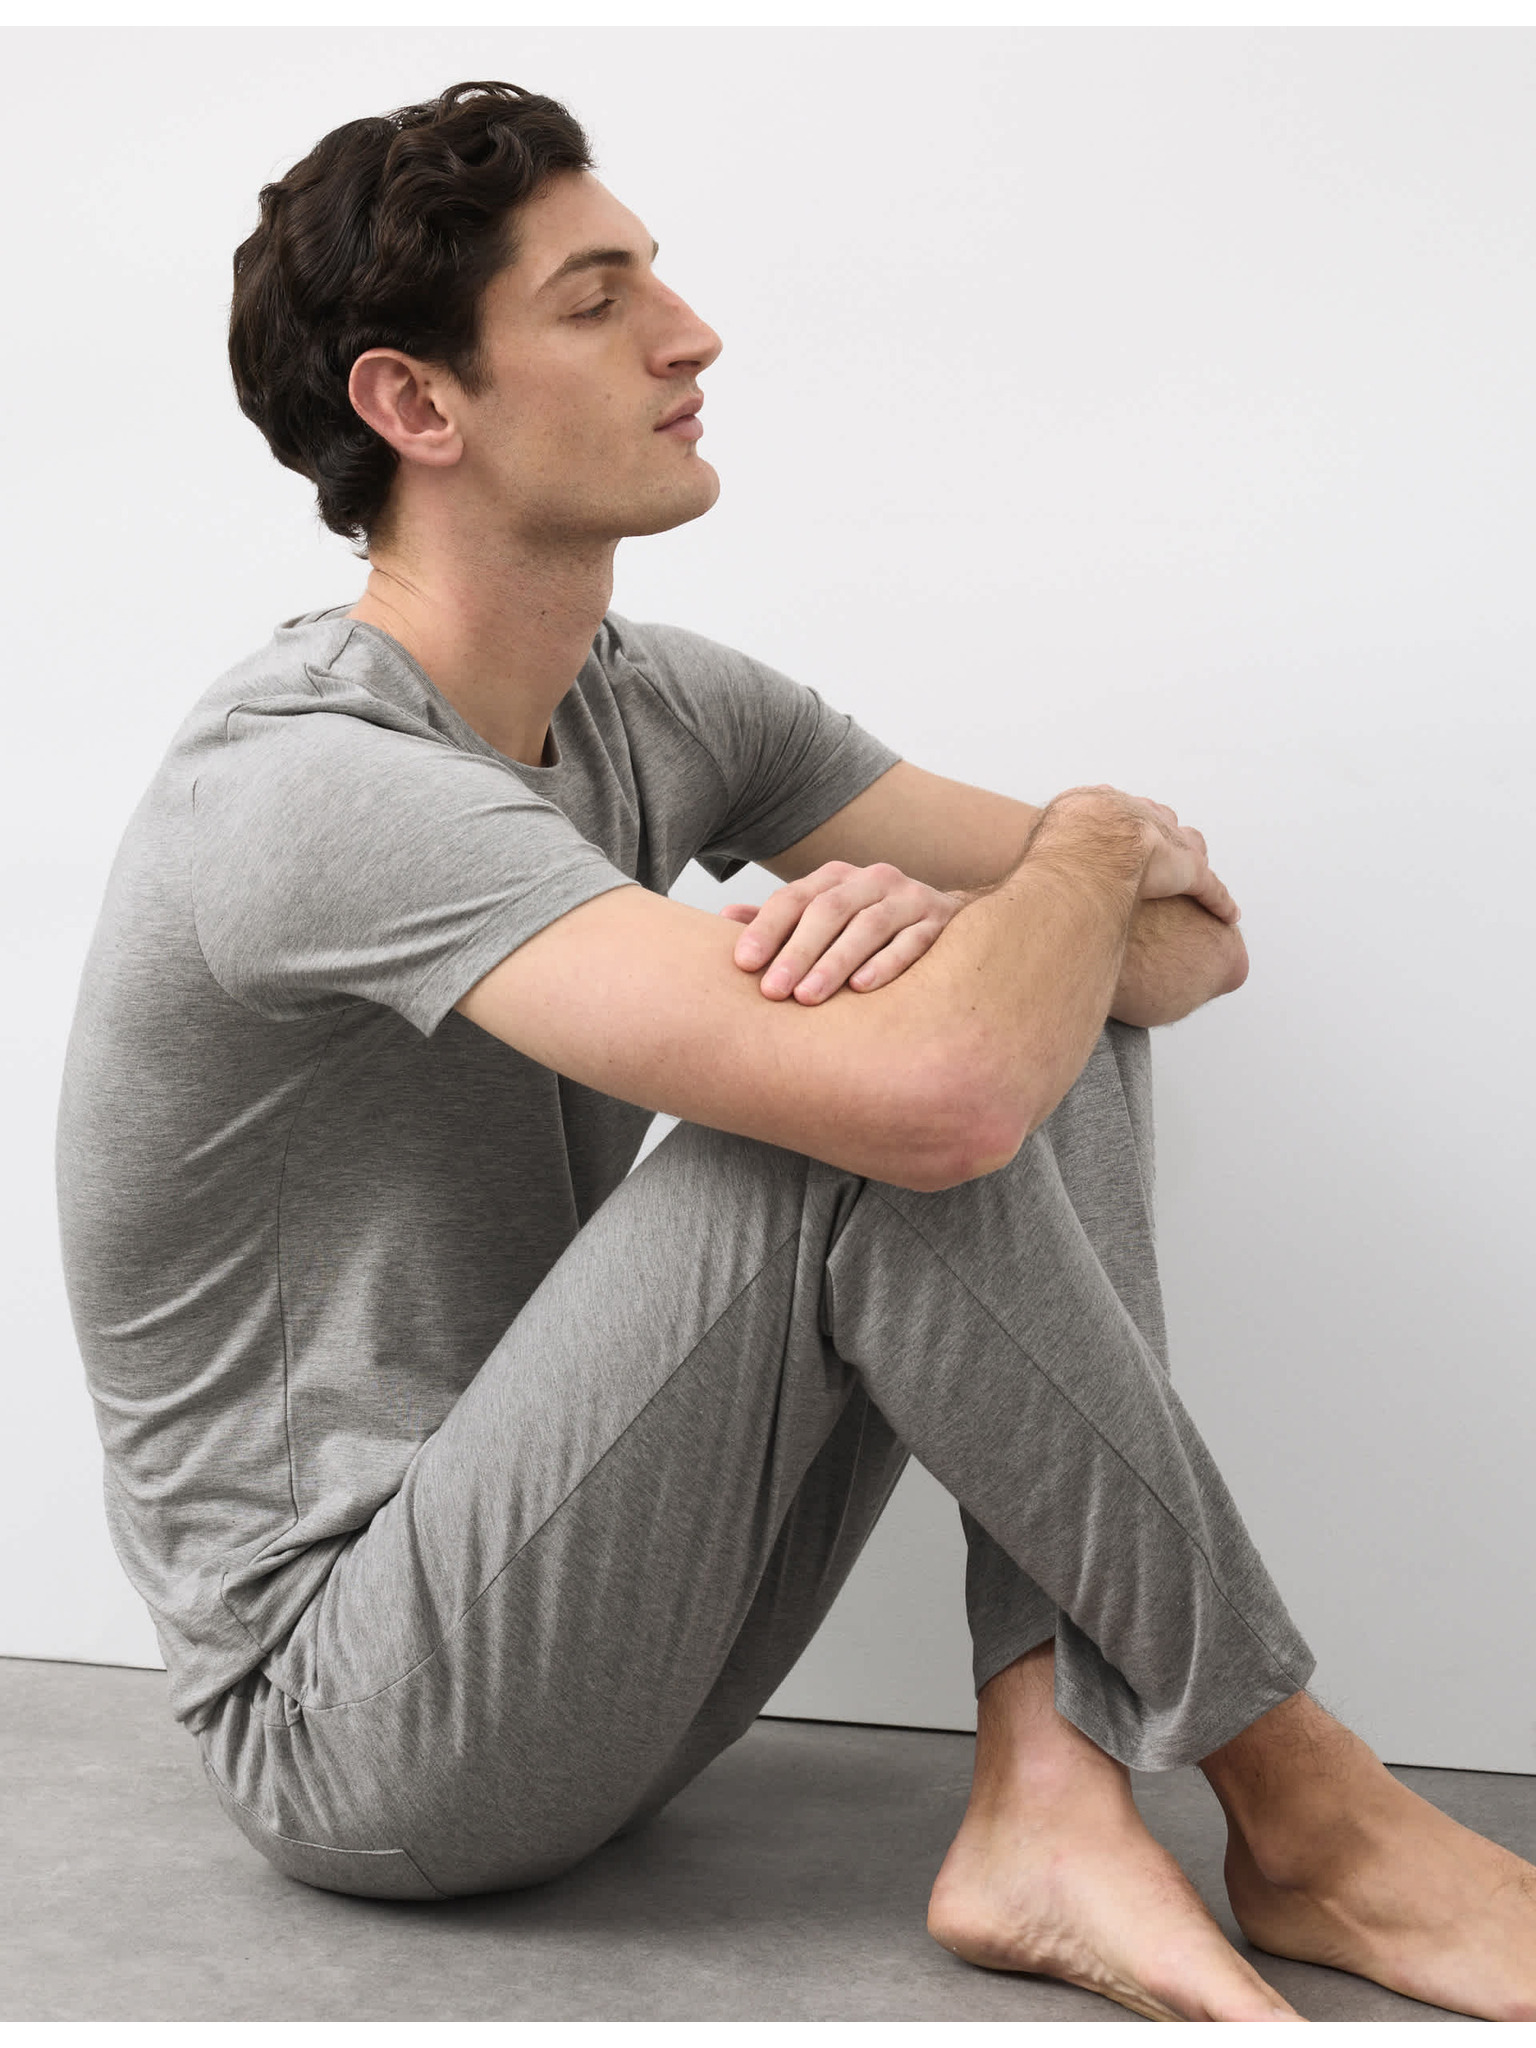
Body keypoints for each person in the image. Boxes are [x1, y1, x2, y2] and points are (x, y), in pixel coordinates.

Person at [55, 79, 1535, 2023]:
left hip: (615, 1624)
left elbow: (1192, 951)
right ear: (416, 404)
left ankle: (1052, 1789)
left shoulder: (665, 705)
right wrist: (1082, 849)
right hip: (359, 1725)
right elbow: (941, 1086)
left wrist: (1038, 910)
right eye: (599, 302)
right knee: (898, 1091)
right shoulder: (308, 785)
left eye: (659, 280)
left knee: (1049, 1014)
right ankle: (1309, 1804)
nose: (692, 335)